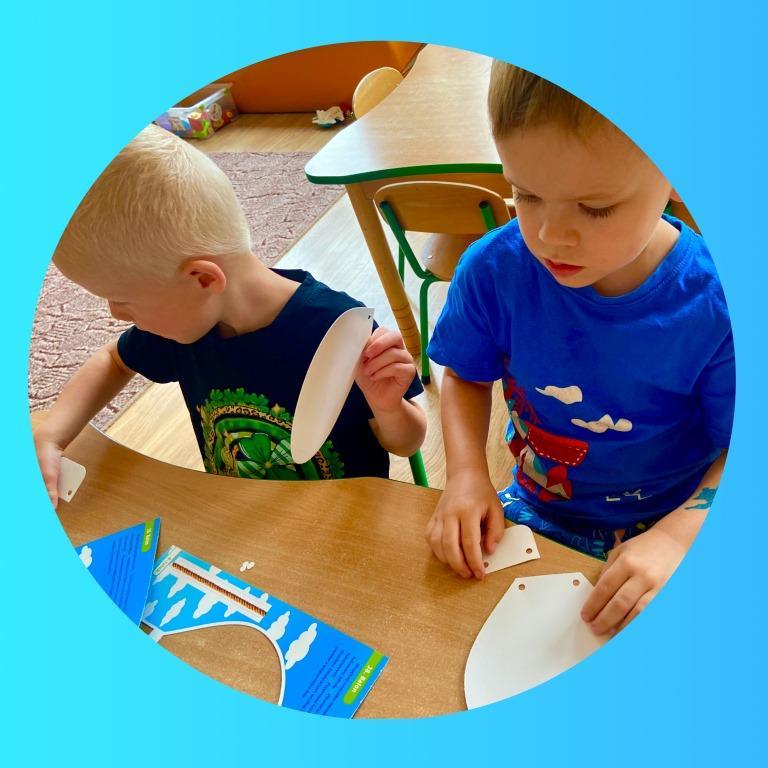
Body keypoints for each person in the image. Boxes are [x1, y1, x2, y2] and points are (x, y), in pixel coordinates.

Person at [425, 61, 734, 636]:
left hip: (674, 519)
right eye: (525, 194)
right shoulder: (492, 271)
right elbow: (465, 373)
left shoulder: (717, 306)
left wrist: (679, 535)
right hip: (538, 508)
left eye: (595, 208)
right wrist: (465, 474)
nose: (550, 236)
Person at [34, 125, 426, 505]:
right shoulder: (188, 323)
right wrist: (52, 434)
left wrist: (388, 407)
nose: (115, 314)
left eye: (122, 300)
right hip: (241, 514)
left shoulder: (338, 329)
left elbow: (407, 443)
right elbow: (113, 360)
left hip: (341, 517)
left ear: (203, 279)